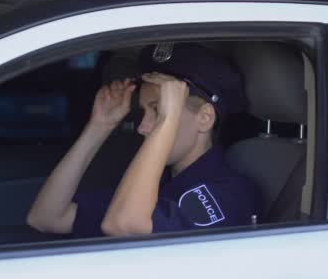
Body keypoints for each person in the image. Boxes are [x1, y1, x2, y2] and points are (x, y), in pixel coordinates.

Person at [27, 42, 261, 237]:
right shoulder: (159, 183)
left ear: (205, 119)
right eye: (143, 113)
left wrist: (167, 120)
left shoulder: (228, 194)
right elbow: (47, 217)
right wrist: (99, 127)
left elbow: (122, 225)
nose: (142, 127)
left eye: (157, 111)